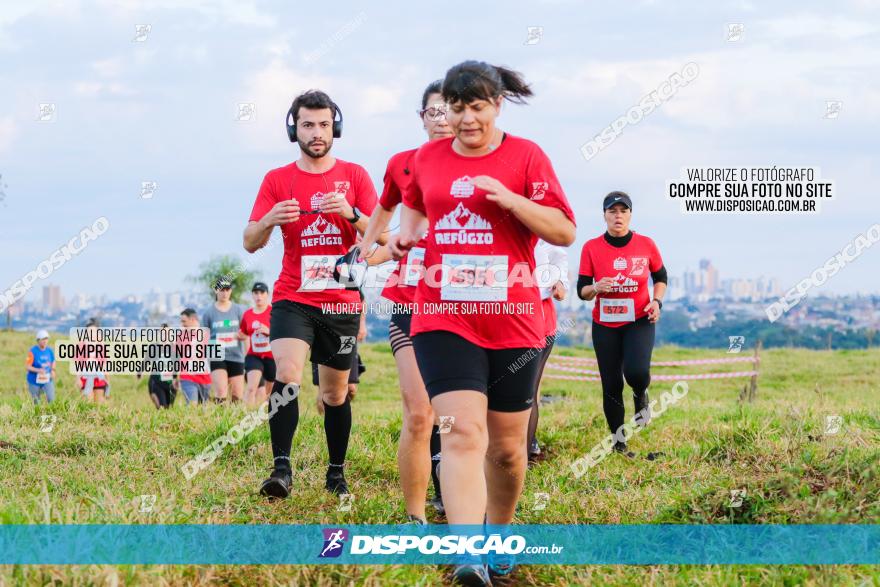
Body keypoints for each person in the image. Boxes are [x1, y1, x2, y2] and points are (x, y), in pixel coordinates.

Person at [388, 61, 576, 583]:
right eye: (457, 106)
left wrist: (512, 199)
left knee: (509, 450)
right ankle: (467, 555)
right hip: (443, 315)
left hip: (514, 322)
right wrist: (407, 237)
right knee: (463, 432)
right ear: (444, 107)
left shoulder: (527, 156)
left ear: (497, 104)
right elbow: (417, 212)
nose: (467, 118)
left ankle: (500, 534)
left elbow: (563, 230)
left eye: (477, 106)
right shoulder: (426, 159)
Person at [243, 89, 379, 498]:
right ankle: (281, 469)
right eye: (307, 125)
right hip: (293, 298)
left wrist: (350, 214)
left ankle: (336, 473)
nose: (316, 132)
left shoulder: (355, 176)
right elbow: (250, 241)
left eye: (323, 124)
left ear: (334, 126)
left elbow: (382, 235)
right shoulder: (277, 179)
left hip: (341, 302)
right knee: (286, 375)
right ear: (293, 129)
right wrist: (269, 219)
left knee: (335, 394)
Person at [358, 79, 452, 523]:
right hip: (410, 305)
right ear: (422, 117)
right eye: (433, 112)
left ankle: (459, 500)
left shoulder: (484, 168)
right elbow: (380, 216)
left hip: (468, 307)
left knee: (459, 419)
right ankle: (415, 518)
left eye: (450, 111)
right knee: (420, 412)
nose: (443, 121)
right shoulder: (402, 165)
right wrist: (367, 247)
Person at [577, 191, 667, 457]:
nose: (618, 216)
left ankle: (641, 393)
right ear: (604, 215)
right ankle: (619, 442)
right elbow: (582, 290)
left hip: (638, 319)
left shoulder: (646, 244)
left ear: (630, 214)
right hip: (604, 324)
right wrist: (595, 287)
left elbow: (661, 277)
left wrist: (657, 302)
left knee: (637, 372)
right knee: (611, 384)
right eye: (612, 211)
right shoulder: (591, 247)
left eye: (623, 211)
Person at [527, 239, 569, 464]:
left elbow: (559, 254)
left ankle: (524, 452)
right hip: (492, 315)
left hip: (539, 318)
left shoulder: (539, 229)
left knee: (527, 390)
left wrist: (561, 281)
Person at [202, 278, 247, 403]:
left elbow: (245, 334)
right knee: (221, 391)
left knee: (237, 394)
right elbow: (204, 338)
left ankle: (234, 419)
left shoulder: (238, 310)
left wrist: (242, 338)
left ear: (231, 291)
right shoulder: (208, 313)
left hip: (236, 356)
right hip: (217, 356)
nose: (224, 293)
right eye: (222, 290)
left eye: (227, 290)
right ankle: (219, 420)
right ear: (216, 291)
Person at [241, 282, 275, 406]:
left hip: (272, 357)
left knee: (269, 393)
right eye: (256, 293)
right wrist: (239, 335)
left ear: (267, 294)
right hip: (253, 355)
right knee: (251, 388)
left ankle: (265, 415)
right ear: (252, 295)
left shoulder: (274, 312)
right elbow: (243, 332)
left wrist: (269, 332)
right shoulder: (247, 314)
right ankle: (245, 415)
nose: (259, 296)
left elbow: (283, 333)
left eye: (262, 293)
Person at [139, 322, 177, 409]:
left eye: (167, 333)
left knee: (169, 407)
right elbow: (146, 360)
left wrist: (176, 378)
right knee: (162, 407)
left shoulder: (174, 348)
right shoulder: (154, 347)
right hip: (156, 381)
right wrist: (140, 372)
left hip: (170, 382)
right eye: (163, 333)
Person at [178, 308, 212, 405]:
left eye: (184, 321)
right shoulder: (180, 337)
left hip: (205, 377)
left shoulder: (207, 334)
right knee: (192, 405)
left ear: (193, 319)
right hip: (187, 377)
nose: (182, 324)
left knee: (203, 409)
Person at [78, 318, 110, 403]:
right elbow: (78, 364)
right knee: (87, 403)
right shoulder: (81, 345)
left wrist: (107, 379)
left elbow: (104, 364)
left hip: (99, 377)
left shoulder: (101, 346)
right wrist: (77, 379)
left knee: (99, 403)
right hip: (85, 377)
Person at [26, 330, 56, 404]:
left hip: (47, 379)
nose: (45, 341)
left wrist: (53, 370)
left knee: (51, 398)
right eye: (43, 339)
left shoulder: (50, 351)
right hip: (34, 381)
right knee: (36, 401)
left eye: (46, 339)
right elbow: (27, 367)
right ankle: (38, 414)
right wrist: (38, 370)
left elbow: (53, 361)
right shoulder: (32, 351)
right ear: (38, 340)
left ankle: (52, 413)